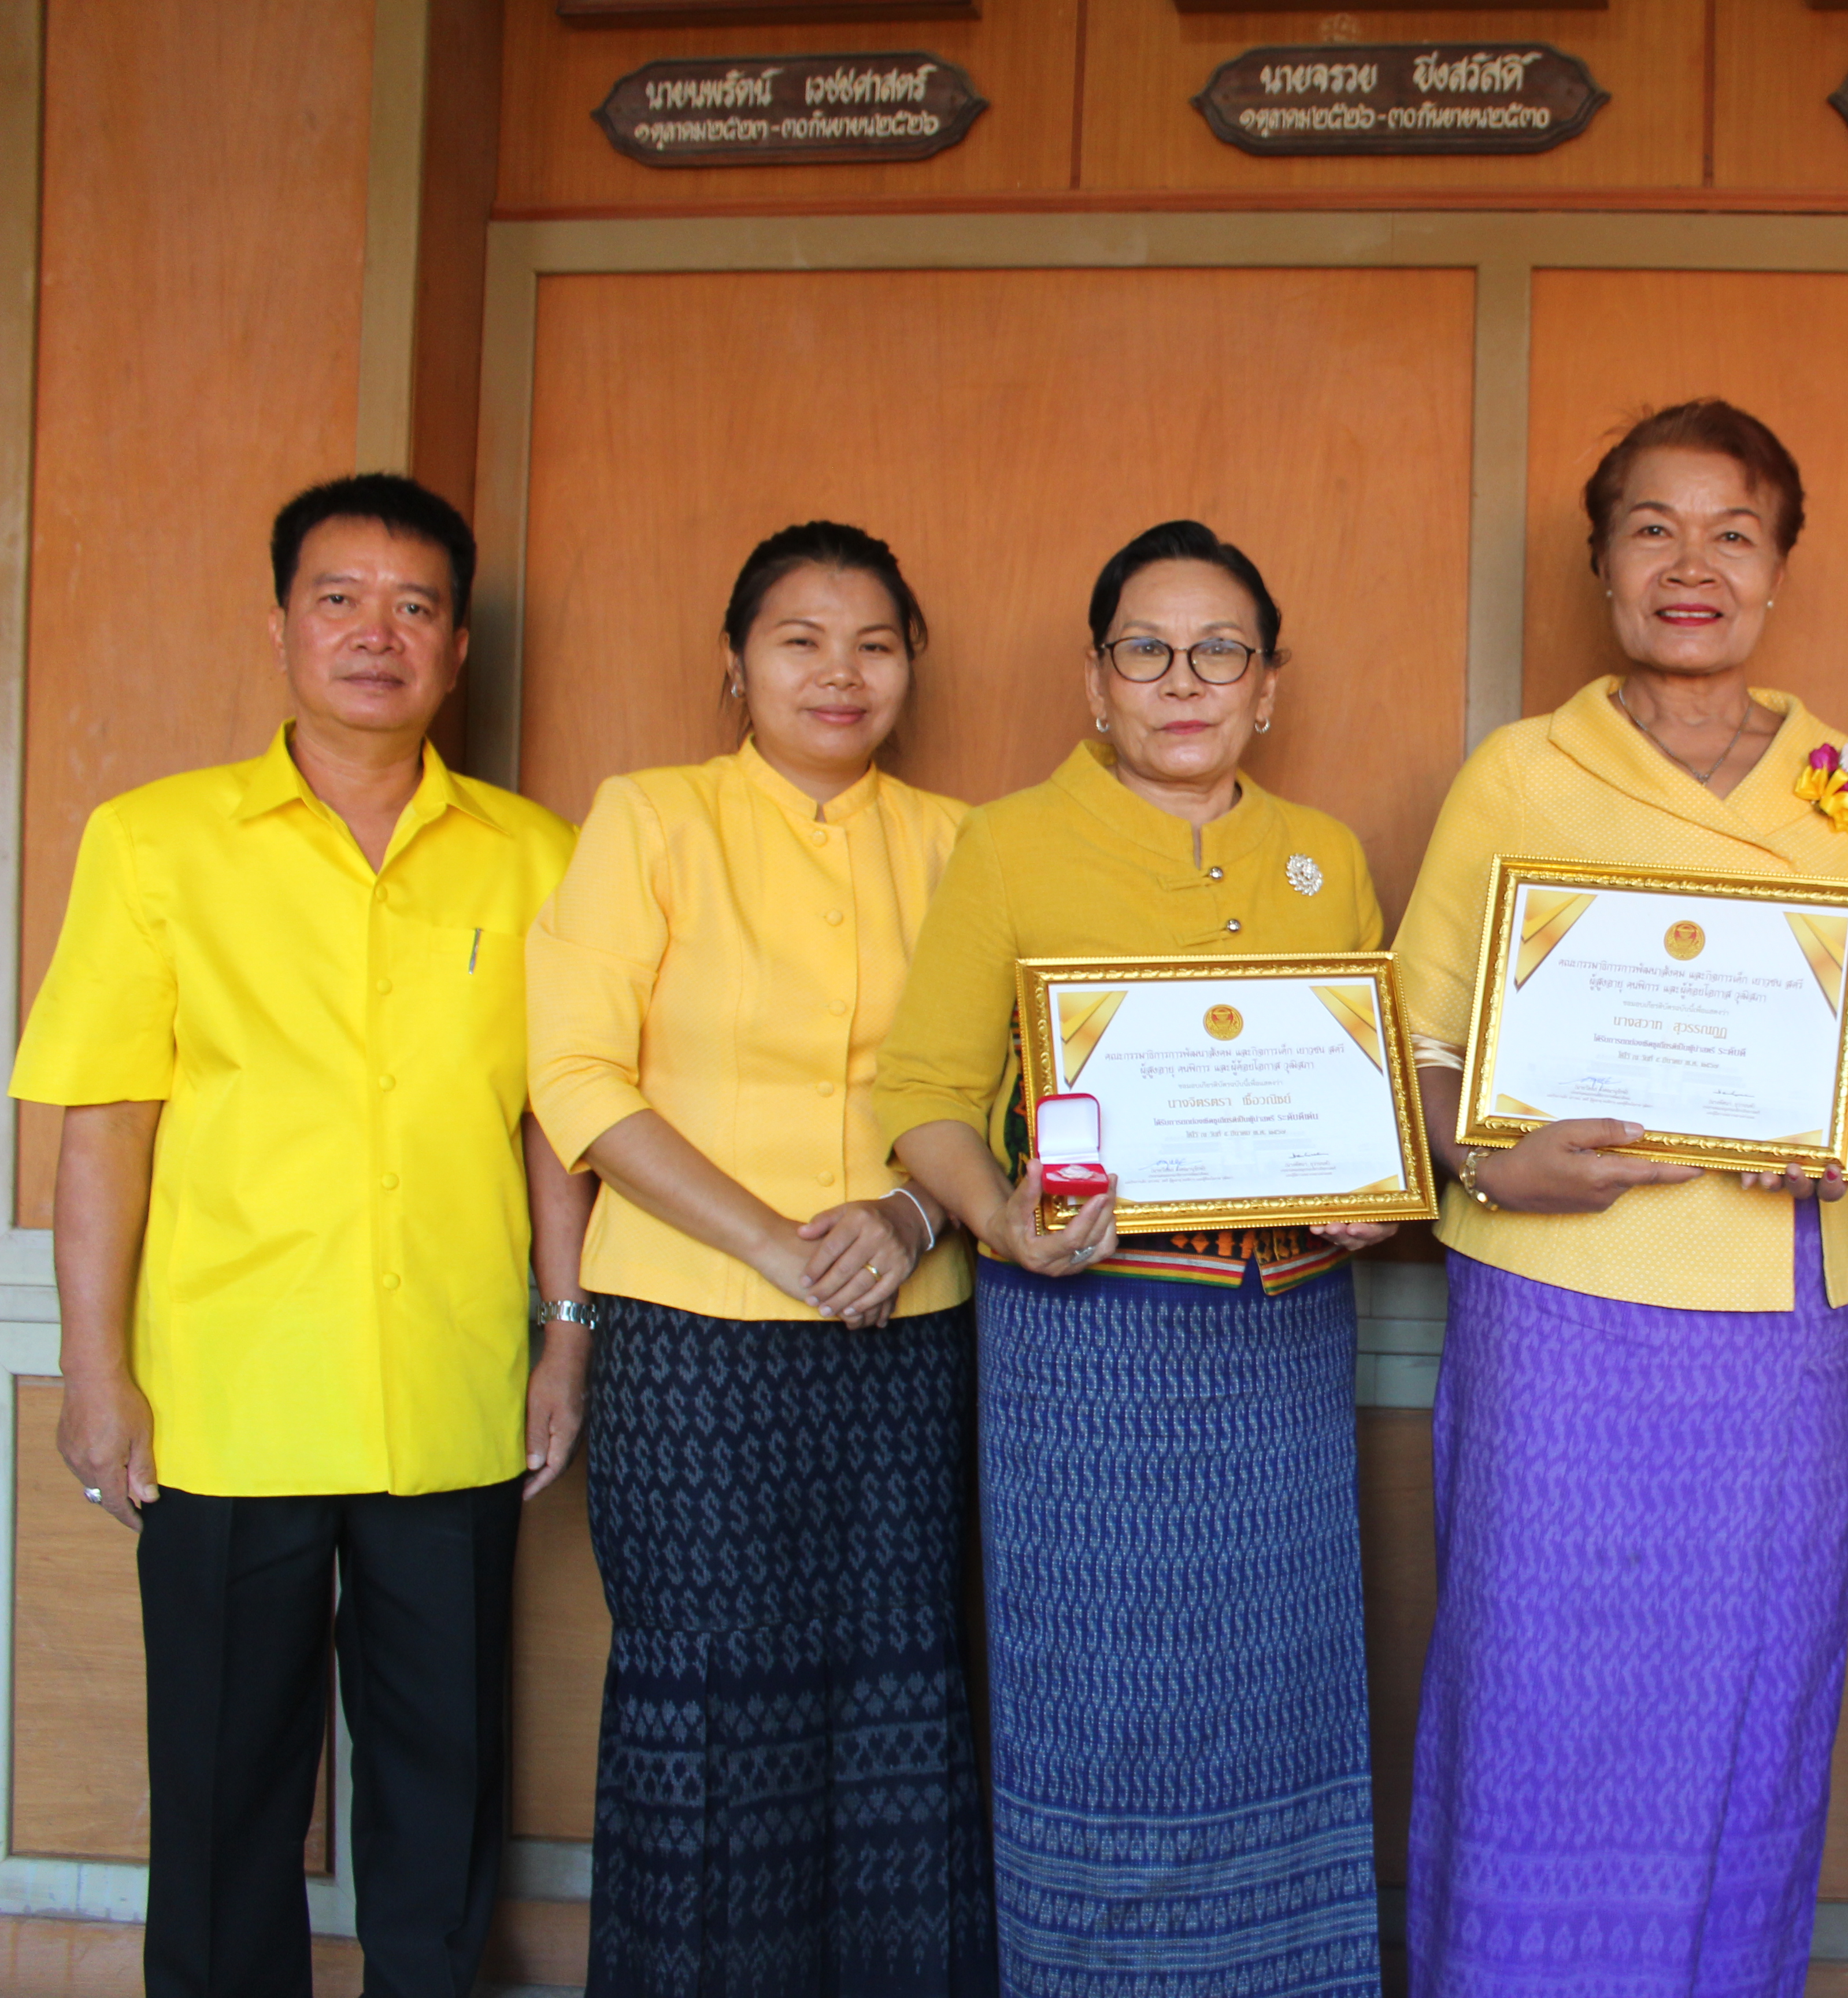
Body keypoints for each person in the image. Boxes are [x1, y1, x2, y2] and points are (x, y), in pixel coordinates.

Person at [10, 473, 587, 1997]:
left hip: (450, 1389)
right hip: (226, 1395)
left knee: (443, 1783)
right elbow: (104, 1127)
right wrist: (93, 1375)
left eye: (414, 606)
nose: (375, 635)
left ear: (458, 648)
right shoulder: (155, 844)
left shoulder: (536, 857)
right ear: (281, 624)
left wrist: (569, 1334)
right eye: (340, 599)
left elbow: (554, 1124)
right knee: (219, 1788)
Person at [1390, 399, 1848, 1996]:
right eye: (1653, 527)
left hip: (1770, 1334)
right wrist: (1490, 1159)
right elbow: (1412, 1056)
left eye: (1733, 532)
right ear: (1600, 559)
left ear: (1779, 569)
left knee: (1745, 1722)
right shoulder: (1522, 771)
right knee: (1531, 1707)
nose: (1691, 565)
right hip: (1550, 1320)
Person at [872, 519, 1391, 1998]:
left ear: (1267, 685)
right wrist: (998, 1216)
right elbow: (919, 1098)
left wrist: (1373, 1193)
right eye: (1146, 651)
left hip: (1281, 1351)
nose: (1184, 680)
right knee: (1104, 1717)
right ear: (1095, 681)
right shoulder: (1013, 843)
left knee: (1274, 1707)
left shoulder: (1323, 857)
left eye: (1220, 650)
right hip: (1088, 1355)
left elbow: (1365, 1103)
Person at [524, 521, 994, 1994]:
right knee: (709, 1715)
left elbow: (1020, 1090)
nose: (839, 671)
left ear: (912, 665)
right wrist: (779, 1245)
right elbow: (578, 1079)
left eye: (874, 641)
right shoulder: (650, 819)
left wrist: (912, 1220)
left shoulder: (964, 842)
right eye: (800, 639)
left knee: (899, 1703)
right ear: (734, 666)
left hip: (911, 1340)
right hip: (693, 1343)